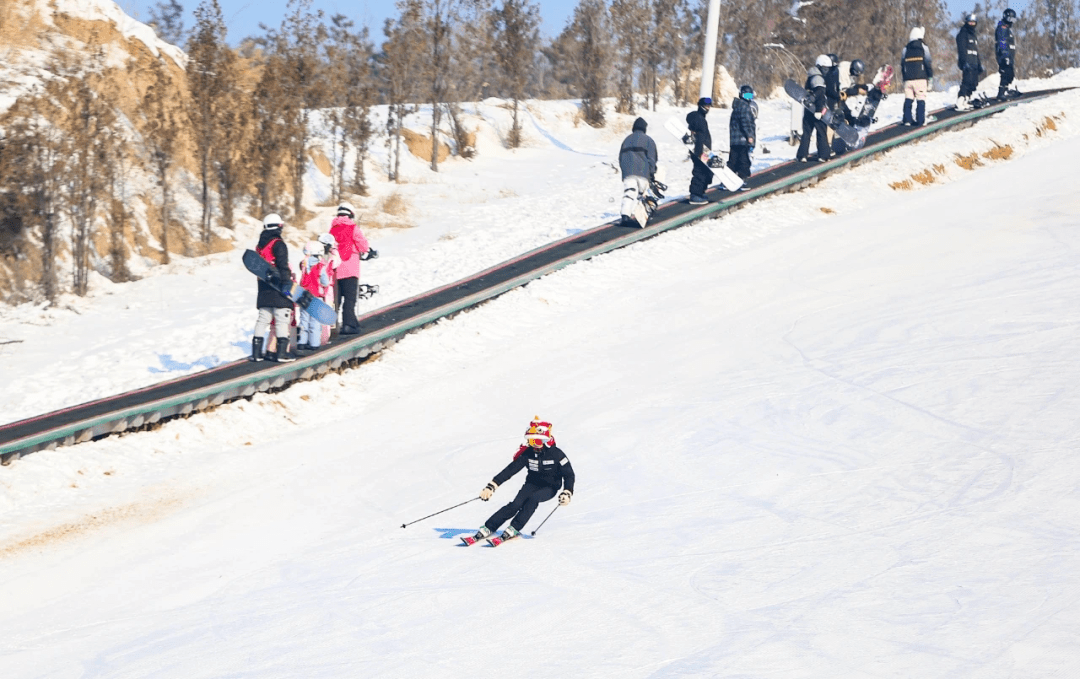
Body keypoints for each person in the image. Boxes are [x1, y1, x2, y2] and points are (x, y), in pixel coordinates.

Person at [467, 417, 576, 544]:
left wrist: (567, 492)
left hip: (550, 488)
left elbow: (569, 474)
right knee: (515, 505)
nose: (533, 444)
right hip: (531, 484)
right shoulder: (528, 453)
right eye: (530, 440)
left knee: (533, 499)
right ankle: (489, 526)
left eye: (536, 440)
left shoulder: (557, 454)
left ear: (545, 440)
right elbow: (510, 470)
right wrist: (492, 485)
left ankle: (514, 528)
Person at [251, 213, 295, 363]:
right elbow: (283, 265)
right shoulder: (278, 244)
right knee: (282, 319)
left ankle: (256, 353)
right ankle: (282, 353)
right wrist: (286, 284)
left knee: (263, 319)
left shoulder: (259, 246)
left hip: (263, 287)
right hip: (278, 287)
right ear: (279, 227)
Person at [329, 202, 371, 336]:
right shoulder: (353, 228)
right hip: (350, 269)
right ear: (351, 214)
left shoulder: (332, 230)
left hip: (335, 270)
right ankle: (349, 325)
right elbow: (363, 246)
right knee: (350, 299)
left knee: (336, 300)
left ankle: (332, 326)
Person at [618, 117, 658, 226]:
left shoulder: (626, 140)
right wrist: (652, 172)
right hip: (643, 173)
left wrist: (624, 172)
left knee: (629, 193)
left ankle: (625, 215)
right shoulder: (648, 140)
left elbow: (621, 158)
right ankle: (642, 215)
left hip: (628, 173)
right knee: (643, 195)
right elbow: (652, 158)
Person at [295, 241, 331, 354]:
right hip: (315, 296)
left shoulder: (304, 264)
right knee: (314, 322)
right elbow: (325, 282)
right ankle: (314, 343)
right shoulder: (321, 266)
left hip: (303, 296)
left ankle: (301, 342)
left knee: (304, 320)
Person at [796, 55, 832, 163]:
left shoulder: (811, 76)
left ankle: (802, 155)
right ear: (820, 67)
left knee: (806, 133)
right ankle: (823, 155)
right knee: (821, 132)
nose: (826, 71)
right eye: (825, 69)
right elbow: (820, 94)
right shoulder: (818, 78)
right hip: (817, 109)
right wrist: (818, 110)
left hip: (808, 109)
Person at [901, 26, 934, 126]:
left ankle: (907, 120)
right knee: (920, 99)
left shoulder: (905, 49)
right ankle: (920, 120)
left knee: (908, 99)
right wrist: (930, 78)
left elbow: (902, 65)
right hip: (920, 78)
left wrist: (904, 78)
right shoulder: (924, 47)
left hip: (908, 80)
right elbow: (928, 63)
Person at [686, 97, 714, 204]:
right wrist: (698, 153)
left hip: (702, 150)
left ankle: (700, 192)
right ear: (701, 105)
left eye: (709, 106)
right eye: (706, 106)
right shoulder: (699, 119)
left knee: (707, 172)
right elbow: (700, 137)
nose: (708, 108)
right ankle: (695, 195)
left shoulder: (699, 118)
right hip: (699, 151)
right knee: (700, 171)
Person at [727, 85, 756, 184]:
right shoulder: (745, 107)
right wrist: (750, 138)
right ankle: (742, 179)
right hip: (742, 140)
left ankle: (727, 179)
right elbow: (746, 124)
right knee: (744, 161)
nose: (749, 99)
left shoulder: (737, 106)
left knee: (733, 161)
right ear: (741, 95)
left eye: (750, 96)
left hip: (735, 140)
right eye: (747, 95)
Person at [956, 13, 984, 110]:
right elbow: (962, 49)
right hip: (967, 62)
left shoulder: (974, 35)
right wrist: (963, 62)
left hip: (974, 62)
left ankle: (966, 100)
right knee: (966, 82)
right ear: (967, 22)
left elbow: (976, 51)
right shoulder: (963, 33)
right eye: (970, 22)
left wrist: (979, 64)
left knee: (974, 83)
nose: (972, 24)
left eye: (973, 22)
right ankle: (960, 100)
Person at [996, 8, 1018, 100]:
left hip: (1009, 55)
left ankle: (1005, 90)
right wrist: (1005, 55)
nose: (1011, 22)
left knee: (1010, 74)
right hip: (1004, 55)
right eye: (1010, 19)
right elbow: (1002, 42)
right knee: (1006, 73)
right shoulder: (1002, 28)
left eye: (1013, 20)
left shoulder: (1008, 29)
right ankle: (1001, 93)